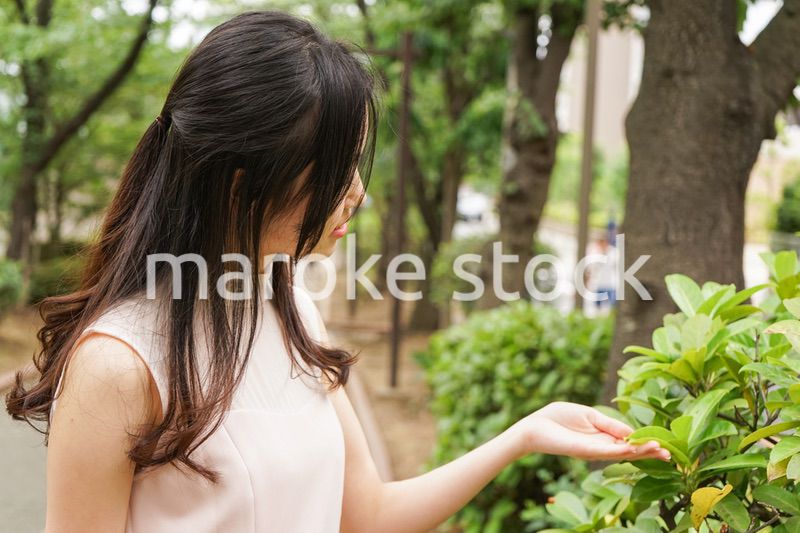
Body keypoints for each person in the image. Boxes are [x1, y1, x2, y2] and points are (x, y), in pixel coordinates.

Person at [5, 11, 668, 533]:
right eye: (334, 173)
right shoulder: (118, 364)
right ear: (242, 189)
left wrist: (523, 435)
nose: (358, 193)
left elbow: (367, 515)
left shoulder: (289, 303)